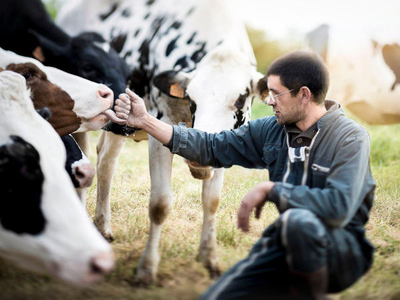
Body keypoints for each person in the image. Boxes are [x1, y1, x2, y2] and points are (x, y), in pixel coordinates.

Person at [113, 50, 375, 300]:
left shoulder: (350, 137)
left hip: (340, 252)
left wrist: (272, 190)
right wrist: (146, 121)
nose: (268, 100)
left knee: (298, 221)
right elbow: (211, 146)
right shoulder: (270, 130)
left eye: (275, 93)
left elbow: (339, 206)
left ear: (304, 95)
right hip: (283, 244)